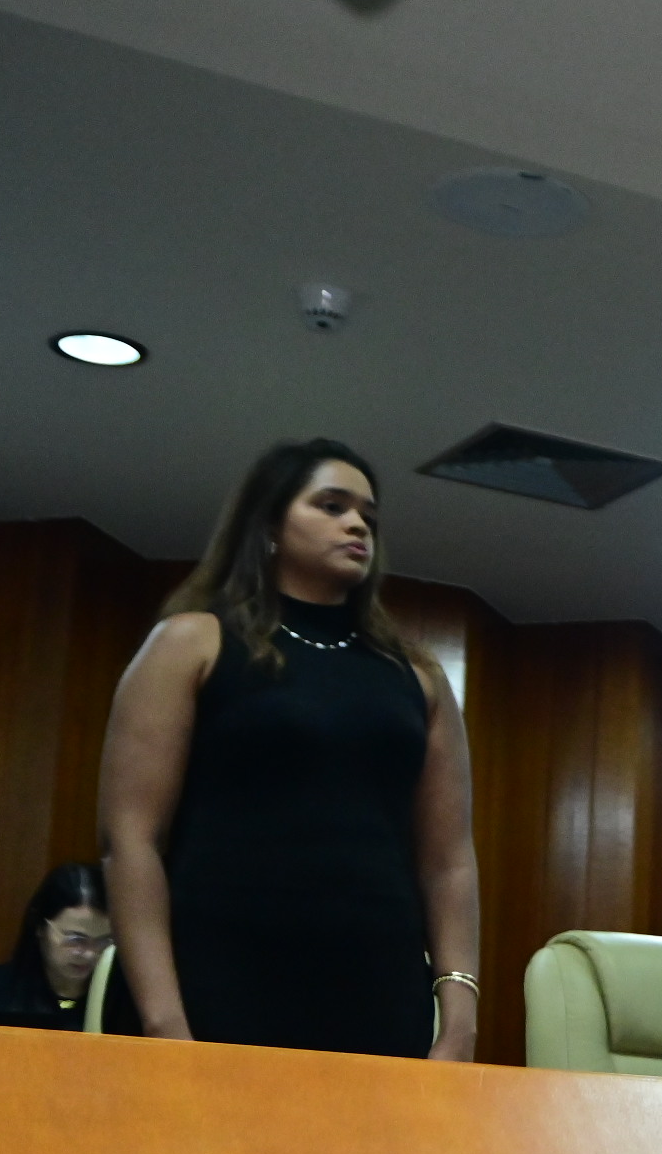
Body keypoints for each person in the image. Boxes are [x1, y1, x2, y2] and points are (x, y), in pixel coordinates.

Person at [99, 439, 479, 1059]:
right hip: (212, 986)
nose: (357, 525)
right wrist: (164, 1022)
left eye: (368, 516)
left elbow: (449, 862)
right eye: (332, 506)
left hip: (376, 997)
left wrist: (460, 1020)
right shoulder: (192, 642)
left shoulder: (417, 676)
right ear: (269, 524)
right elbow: (130, 839)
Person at [0, 862, 117, 1029]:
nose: (89, 954)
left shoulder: (122, 1001)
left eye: (103, 941)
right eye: (76, 939)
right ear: (40, 926)